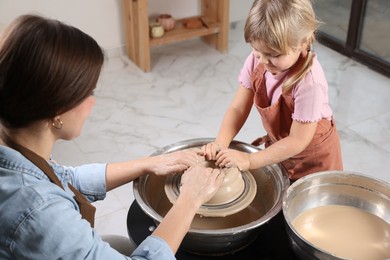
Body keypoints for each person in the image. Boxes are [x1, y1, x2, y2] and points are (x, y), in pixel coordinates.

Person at [0, 14, 224, 259]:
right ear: (57, 111)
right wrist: (190, 199)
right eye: (88, 92)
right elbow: (46, 201)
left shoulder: (14, 147)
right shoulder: (40, 212)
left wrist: (149, 164)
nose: (93, 101)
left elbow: (64, 179)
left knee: (120, 243)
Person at [202, 0, 343, 181]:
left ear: (303, 42)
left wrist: (251, 160)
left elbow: (297, 140)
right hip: (282, 149)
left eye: (274, 55)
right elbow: (238, 108)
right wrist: (220, 143)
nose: (263, 61)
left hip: (314, 160)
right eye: (256, 50)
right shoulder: (257, 61)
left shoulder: (310, 83)